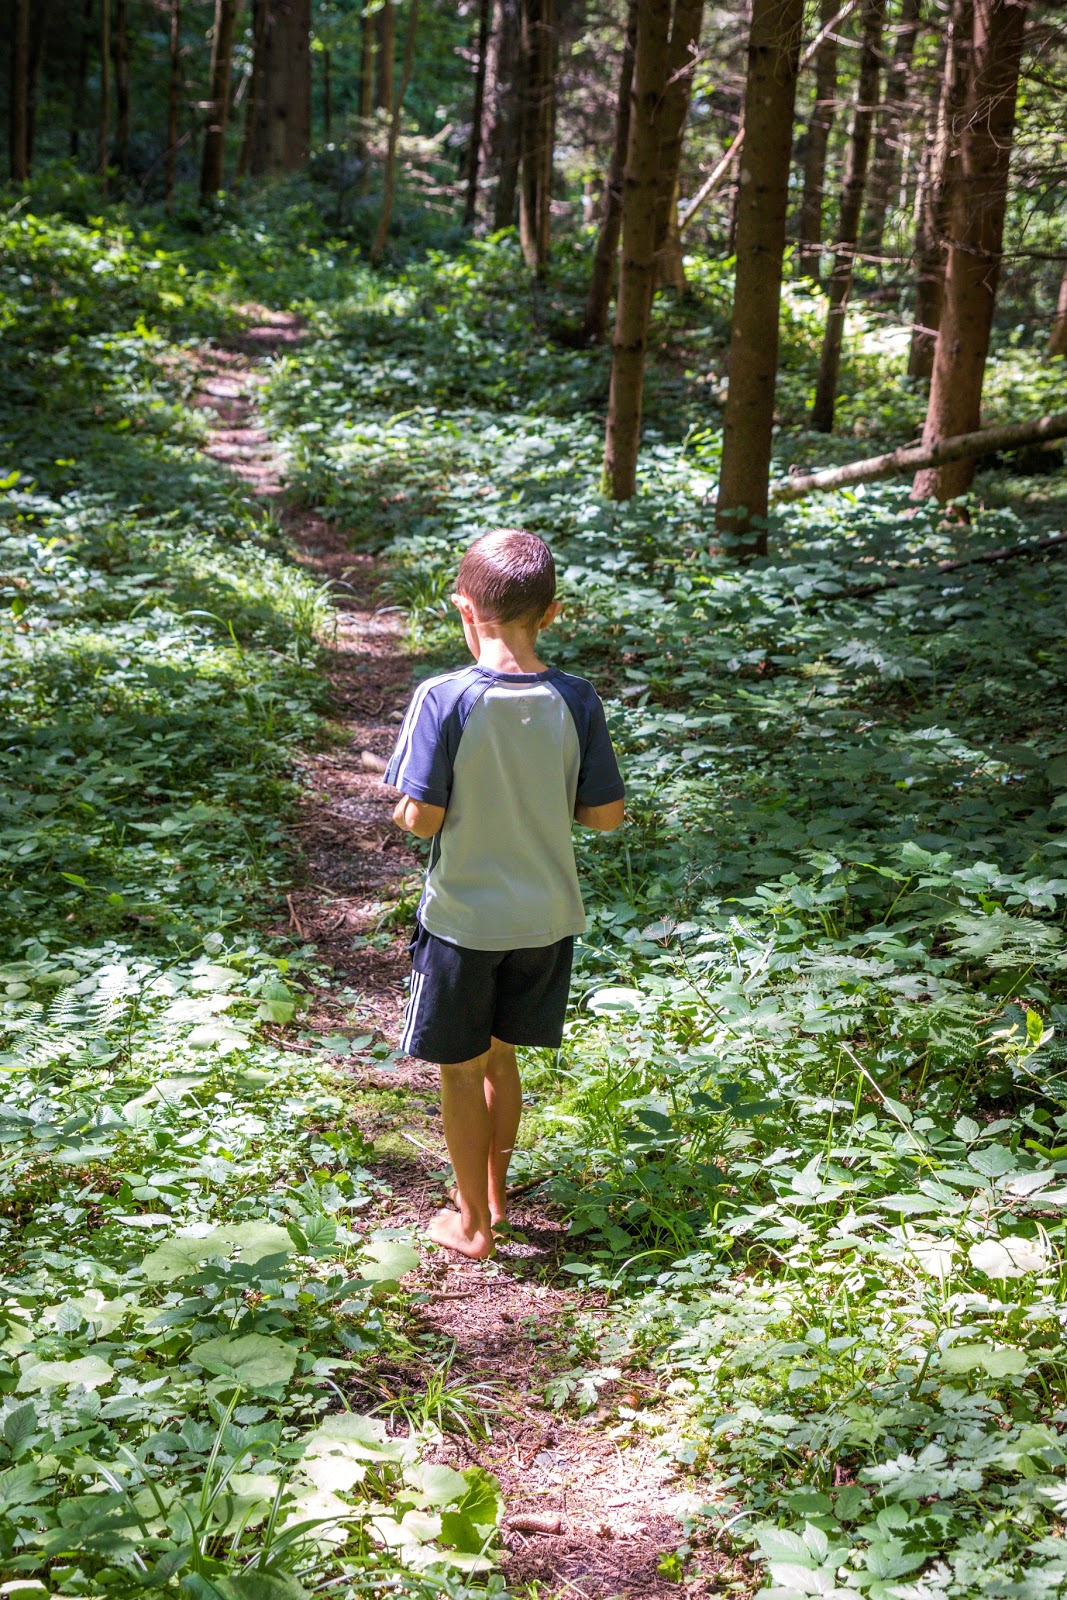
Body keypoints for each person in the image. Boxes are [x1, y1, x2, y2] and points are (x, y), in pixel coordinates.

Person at [384, 528, 625, 1260]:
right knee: (500, 1060)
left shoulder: (444, 697)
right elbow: (605, 817)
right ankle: (493, 1196)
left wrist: (404, 807)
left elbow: (422, 818)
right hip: (546, 920)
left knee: (459, 1072)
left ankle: (472, 1228)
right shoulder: (576, 698)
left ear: (463, 607)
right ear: (551, 612)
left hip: (463, 921)